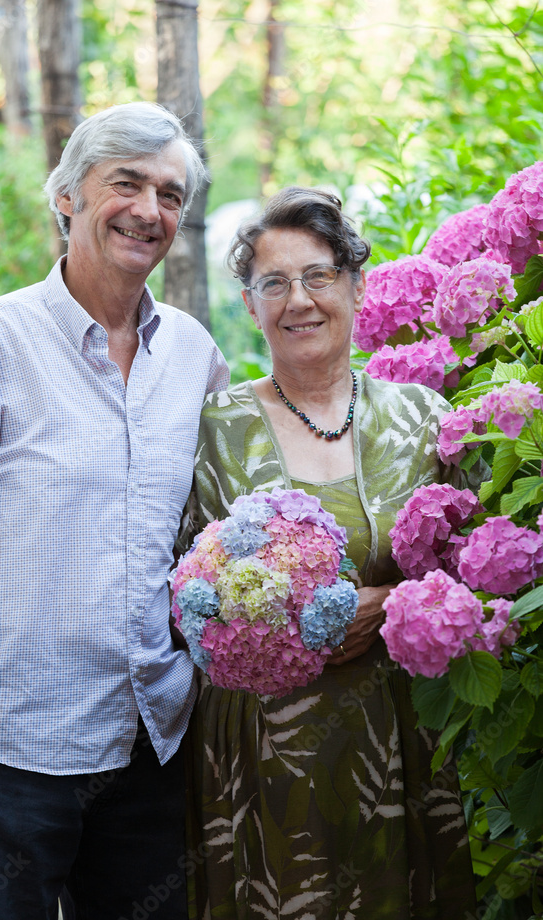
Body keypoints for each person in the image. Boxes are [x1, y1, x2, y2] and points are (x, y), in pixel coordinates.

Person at [0, 101, 229, 920]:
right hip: (6, 757)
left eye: (170, 194)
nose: (150, 210)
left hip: (149, 748)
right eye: (127, 184)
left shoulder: (194, 356)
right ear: (68, 195)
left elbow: (216, 539)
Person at [183, 187, 477, 919]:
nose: (298, 300)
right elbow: (168, 579)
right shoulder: (209, 428)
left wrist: (393, 606)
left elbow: (473, 577)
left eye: (317, 276)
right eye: (272, 283)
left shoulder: (421, 418)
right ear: (250, 306)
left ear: (355, 284)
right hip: (263, 751)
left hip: (399, 739)